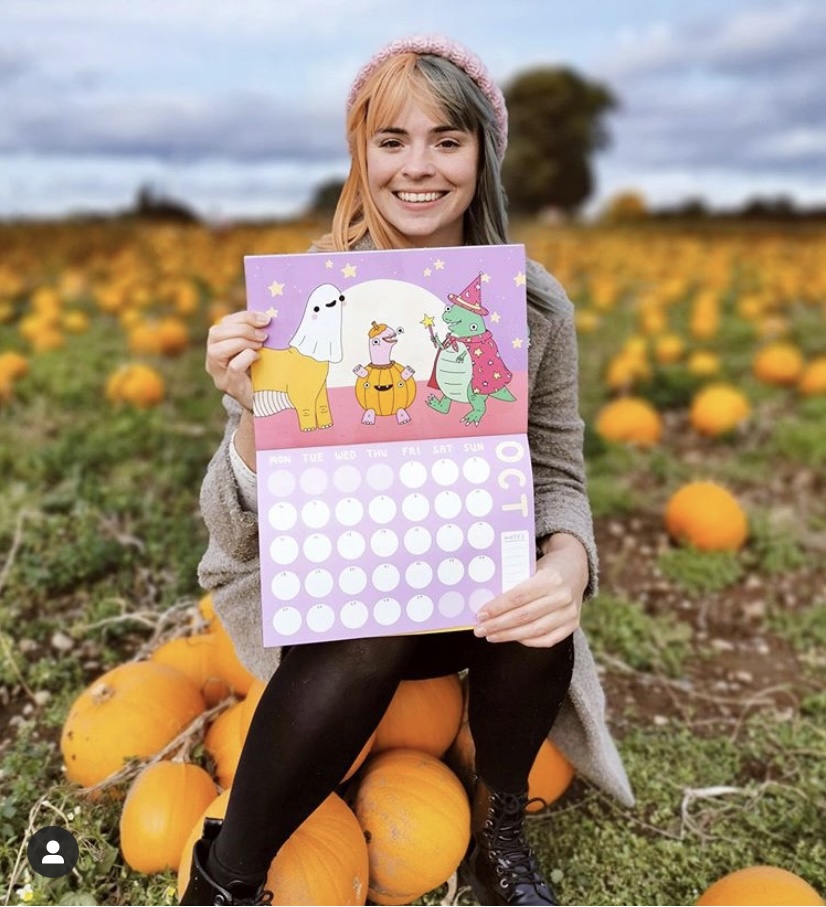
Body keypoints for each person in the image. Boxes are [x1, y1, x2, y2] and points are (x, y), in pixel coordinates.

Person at [182, 34, 634, 907]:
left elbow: (558, 472)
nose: (418, 167)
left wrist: (568, 562)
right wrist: (250, 414)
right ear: (362, 154)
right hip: (341, 600)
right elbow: (236, 527)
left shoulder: (530, 307)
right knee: (369, 629)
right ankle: (226, 876)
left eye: (447, 140)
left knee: (537, 608)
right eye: (392, 141)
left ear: (482, 156)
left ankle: (499, 825)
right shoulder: (305, 299)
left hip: (470, 582)